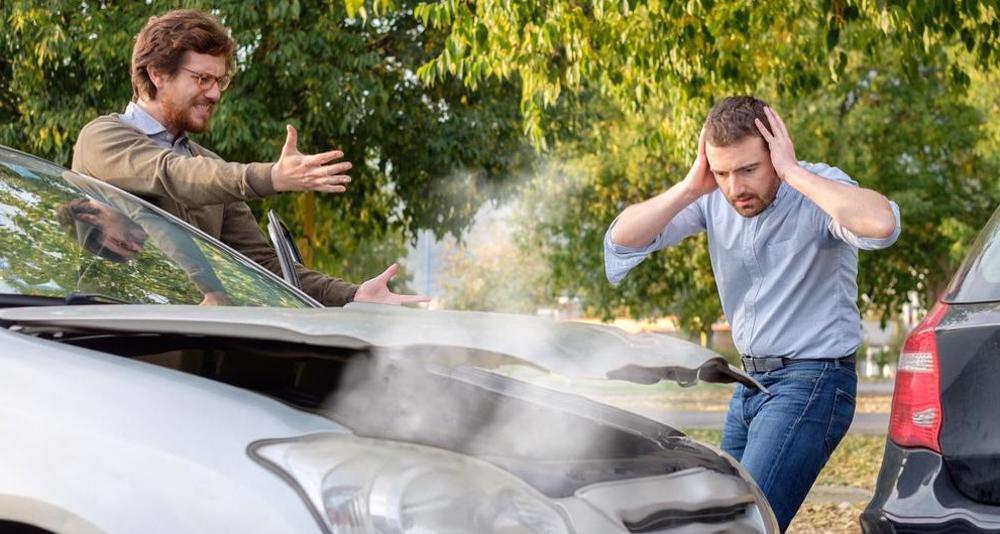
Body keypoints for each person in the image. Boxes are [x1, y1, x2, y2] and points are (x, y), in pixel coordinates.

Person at [603, 96, 900, 531]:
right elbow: (621, 240)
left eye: (748, 170)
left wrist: (793, 173)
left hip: (812, 383)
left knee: (743, 525)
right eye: (722, 172)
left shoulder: (817, 188)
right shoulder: (712, 196)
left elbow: (882, 225)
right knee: (714, 521)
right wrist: (691, 187)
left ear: (775, 153)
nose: (735, 187)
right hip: (748, 385)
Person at [72, 9, 425, 307]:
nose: (214, 93)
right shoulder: (103, 138)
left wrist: (352, 296)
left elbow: (265, 265)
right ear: (157, 74)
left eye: (220, 81)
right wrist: (273, 177)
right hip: (97, 336)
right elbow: (172, 174)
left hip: (182, 344)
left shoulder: (206, 163)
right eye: (202, 79)